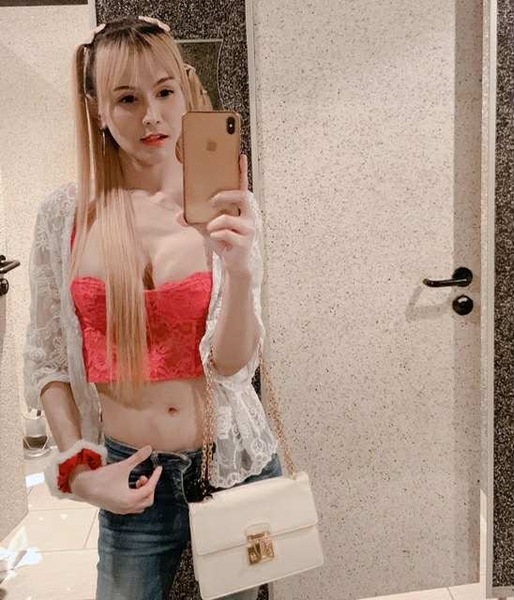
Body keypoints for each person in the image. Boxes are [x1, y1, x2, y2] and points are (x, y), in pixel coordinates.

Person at [23, 15, 280, 600]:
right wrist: (79, 471)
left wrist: (240, 270)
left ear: (185, 92)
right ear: (97, 109)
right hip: (129, 473)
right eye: (127, 99)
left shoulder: (226, 205)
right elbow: (46, 359)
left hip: (231, 462)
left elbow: (234, 366)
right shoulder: (66, 216)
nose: (152, 116)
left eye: (165, 92)